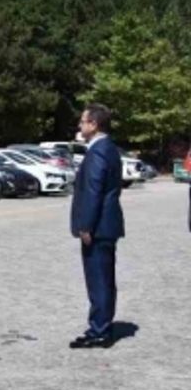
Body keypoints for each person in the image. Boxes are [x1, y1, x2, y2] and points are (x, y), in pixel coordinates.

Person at [69, 103, 125, 349]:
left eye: (83, 121)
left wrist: (86, 226)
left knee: (98, 279)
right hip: (106, 225)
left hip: (98, 226)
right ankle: (102, 324)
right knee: (104, 278)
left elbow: (94, 191)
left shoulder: (99, 151)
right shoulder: (109, 148)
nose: (80, 125)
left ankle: (99, 330)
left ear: (93, 124)